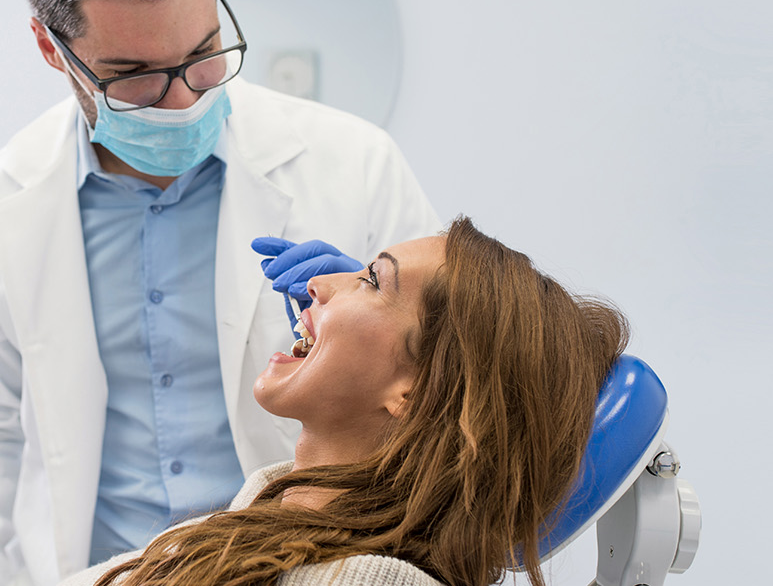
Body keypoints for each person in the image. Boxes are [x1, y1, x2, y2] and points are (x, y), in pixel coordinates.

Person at [0, 0, 441, 584]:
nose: (184, 100)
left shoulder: (355, 165)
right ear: (51, 49)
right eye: (136, 77)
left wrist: (378, 328)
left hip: (299, 564)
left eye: (204, 53)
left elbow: (451, 395)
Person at [58, 217, 629, 586]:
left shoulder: (368, 580)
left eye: (371, 280)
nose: (318, 283)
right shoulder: (259, 515)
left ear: (417, 388)